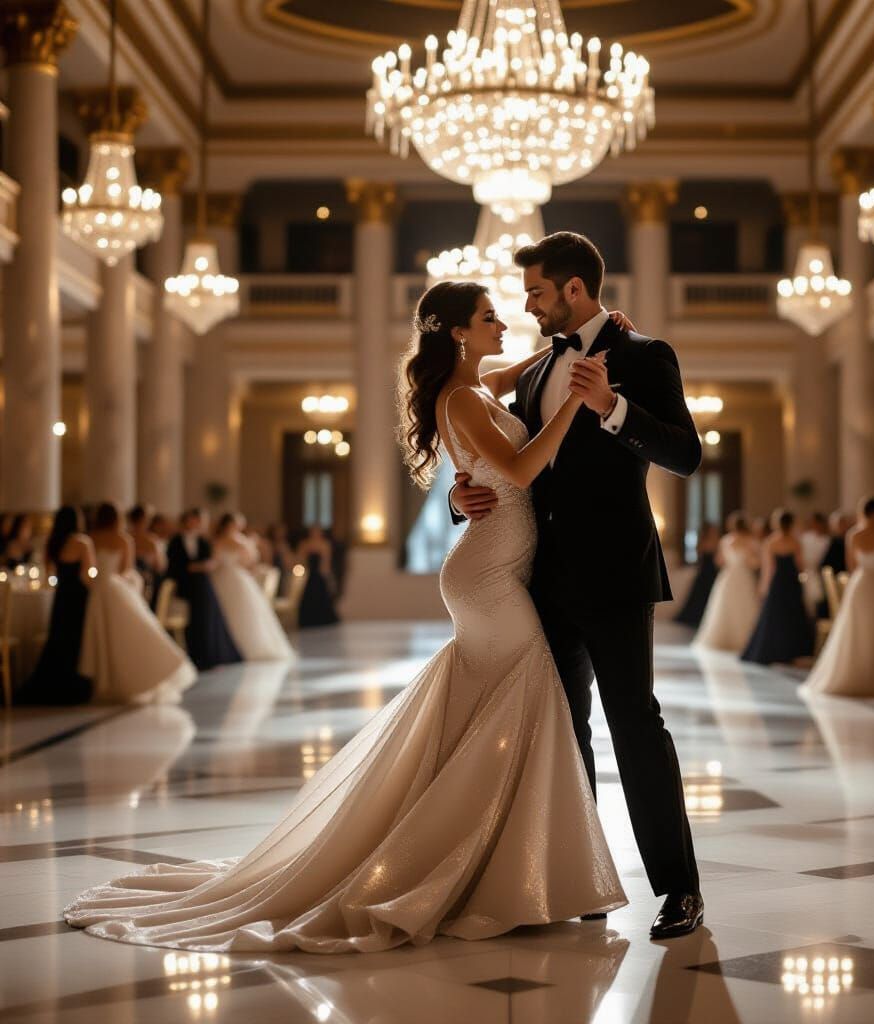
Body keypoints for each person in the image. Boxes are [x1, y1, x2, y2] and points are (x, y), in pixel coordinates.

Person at [65, 278, 627, 953]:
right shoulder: (462, 400)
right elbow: (527, 469)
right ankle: (497, 866)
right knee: (529, 698)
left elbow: (512, 370)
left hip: (494, 569)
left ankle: (498, 862)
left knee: (496, 715)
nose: (502, 321)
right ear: (455, 331)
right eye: (487, 316)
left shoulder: (476, 388)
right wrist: (573, 401)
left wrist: (570, 344)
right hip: (488, 578)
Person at [453, 231, 704, 939]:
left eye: (535, 291)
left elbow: (684, 453)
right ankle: (580, 878)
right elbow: (504, 461)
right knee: (564, 734)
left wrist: (616, 411)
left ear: (572, 289)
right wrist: (458, 498)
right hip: (541, 577)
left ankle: (679, 890)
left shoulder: (644, 356)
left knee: (635, 726)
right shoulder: (535, 375)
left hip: (618, 575)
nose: (527, 304)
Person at [80, 502, 197, 704]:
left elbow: (88, 572)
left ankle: (105, 683)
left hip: (97, 593)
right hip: (115, 589)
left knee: (104, 637)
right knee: (125, 636)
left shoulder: (91, 538)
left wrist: (97, 581)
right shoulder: (123, 540)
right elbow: (126, 570)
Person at [801, 497, 874, 698]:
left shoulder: (857, 535)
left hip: (865, 584)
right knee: (865, 629)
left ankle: (873, 674)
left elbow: (852, 567)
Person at [16, 507, 93, 705]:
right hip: (79, 598)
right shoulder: (83, 542)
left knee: (59, 639)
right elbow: (89, 573)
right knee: (76, 641)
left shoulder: (53, 542)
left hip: (61, 598)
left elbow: (50, 573)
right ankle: (73, 688)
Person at [211, 513, 295, 661]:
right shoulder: (240, 540)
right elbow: (251, 560)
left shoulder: (222, 541)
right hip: (232, 577)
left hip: (226, 577)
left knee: (237, 612)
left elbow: (217, 561)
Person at [166, 509, 241, 671]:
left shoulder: (203, 541)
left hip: (202, 585)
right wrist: (189, 568)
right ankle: (194, 654)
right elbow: (172, 565)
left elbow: (211, 561)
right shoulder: (175, 541)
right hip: (185, 584)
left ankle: (208, 655)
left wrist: (201, 567)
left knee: (207, 609)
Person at [741, 509, 814, 665]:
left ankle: (775, 650)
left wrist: (762, 588)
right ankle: (792, 652)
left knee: (775, 617)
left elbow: (768, 570)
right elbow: (801, 566)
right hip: (792, 584)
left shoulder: (770, 542)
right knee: (792, 615)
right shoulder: (796, 542)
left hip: (778, 585)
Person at [692, 512, 761, 653]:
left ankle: (724, 639)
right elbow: (755, 563)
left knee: (725, 607)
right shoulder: (749, 541)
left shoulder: (726, 540)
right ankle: (746, 640)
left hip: (728, 576)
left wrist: (732, 562)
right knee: (744, 606)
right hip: (744, 576)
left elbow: (719, 561)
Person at [673, 522, 720, 628]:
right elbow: (700, 553)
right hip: (705, 571)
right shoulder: (702, 540)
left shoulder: (717, 540)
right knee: (700, 595)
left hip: (713, 571)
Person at [296, 524, 340, 627]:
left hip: (319, 576)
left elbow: (325, 564)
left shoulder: (325, 544)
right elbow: (300, 561)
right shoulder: (305, 544)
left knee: (321, 598)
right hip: (310, 575)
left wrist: (328, 579)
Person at [127, 504, 167, 606]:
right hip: (142, 583)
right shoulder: (151, 541)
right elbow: (160, 566)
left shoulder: (126, 537)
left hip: (132, 581)